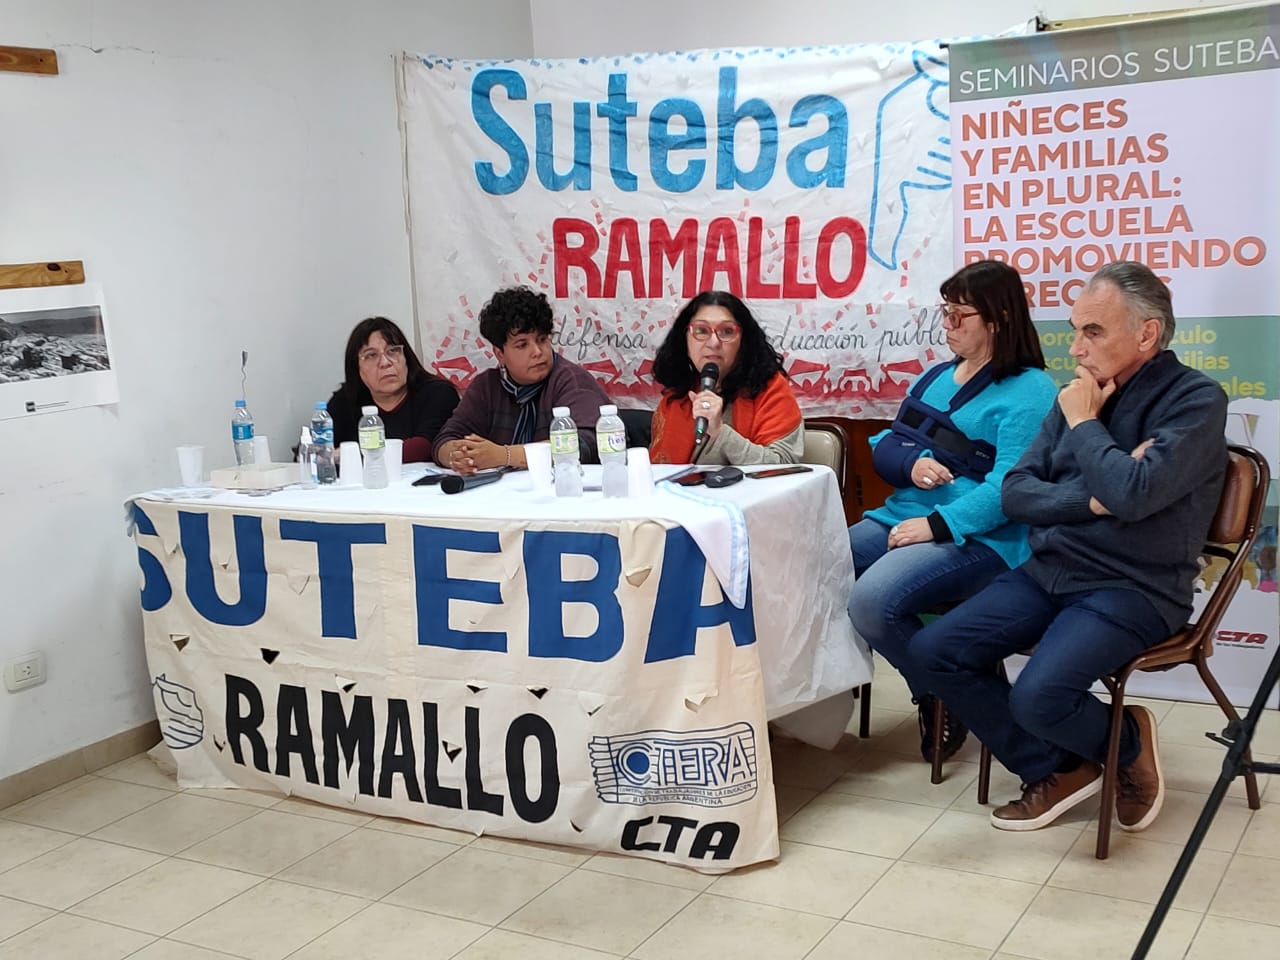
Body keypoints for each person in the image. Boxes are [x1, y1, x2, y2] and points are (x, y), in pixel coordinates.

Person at [913, 261, 1228, 833]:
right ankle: (1056, 766)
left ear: (1147, 333)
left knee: (1038, 696)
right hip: (1049, 571)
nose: (1077, 348)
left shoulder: (1195, 401)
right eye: (1076, 330)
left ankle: (1127, 739)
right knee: (935, 652)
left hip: (1134, 587)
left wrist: (1085, 426)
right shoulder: (1075, 393)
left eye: (1093, 332)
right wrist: (1095, 499)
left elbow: (1132, 494)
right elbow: (1016, 492)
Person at [847, 260, 1058, 763]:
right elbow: (888, 443)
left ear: (999, 318)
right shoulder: (935, 377)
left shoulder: (1032, 391)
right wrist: (913, 463)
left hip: (985, 537)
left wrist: (938, 524)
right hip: (902, 513)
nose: (948, 324)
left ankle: (948, 690)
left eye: (960, 314)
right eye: (945, 312)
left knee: (871, 601)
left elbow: (1009, 487)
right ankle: (939, 688)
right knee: (818, 566)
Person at [434, 286, 610, 473]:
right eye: (522, 345)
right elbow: (445, 439)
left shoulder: (571, 380)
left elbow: (587, 444)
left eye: (542, 339)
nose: (537, 352)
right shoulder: (486, 387)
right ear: (500, 354)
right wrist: (459, 456)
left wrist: (504, 455)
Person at [649, 291, 802, 465]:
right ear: (684, 339)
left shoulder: (770, 390)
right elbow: (657, 471)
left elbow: (782, 465)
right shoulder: (677, 397)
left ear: (744, 341)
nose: (713, 342)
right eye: (701, 331)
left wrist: (720, 432)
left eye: (727, 331)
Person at [327, 317, 459, 463]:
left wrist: (353, 454)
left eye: (393, 351)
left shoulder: (438, 393)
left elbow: (425, 447)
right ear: (356, 368)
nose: (385, 362)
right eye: (371, 355)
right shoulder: (345, 401)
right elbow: (319, 451)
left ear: (406, 357)